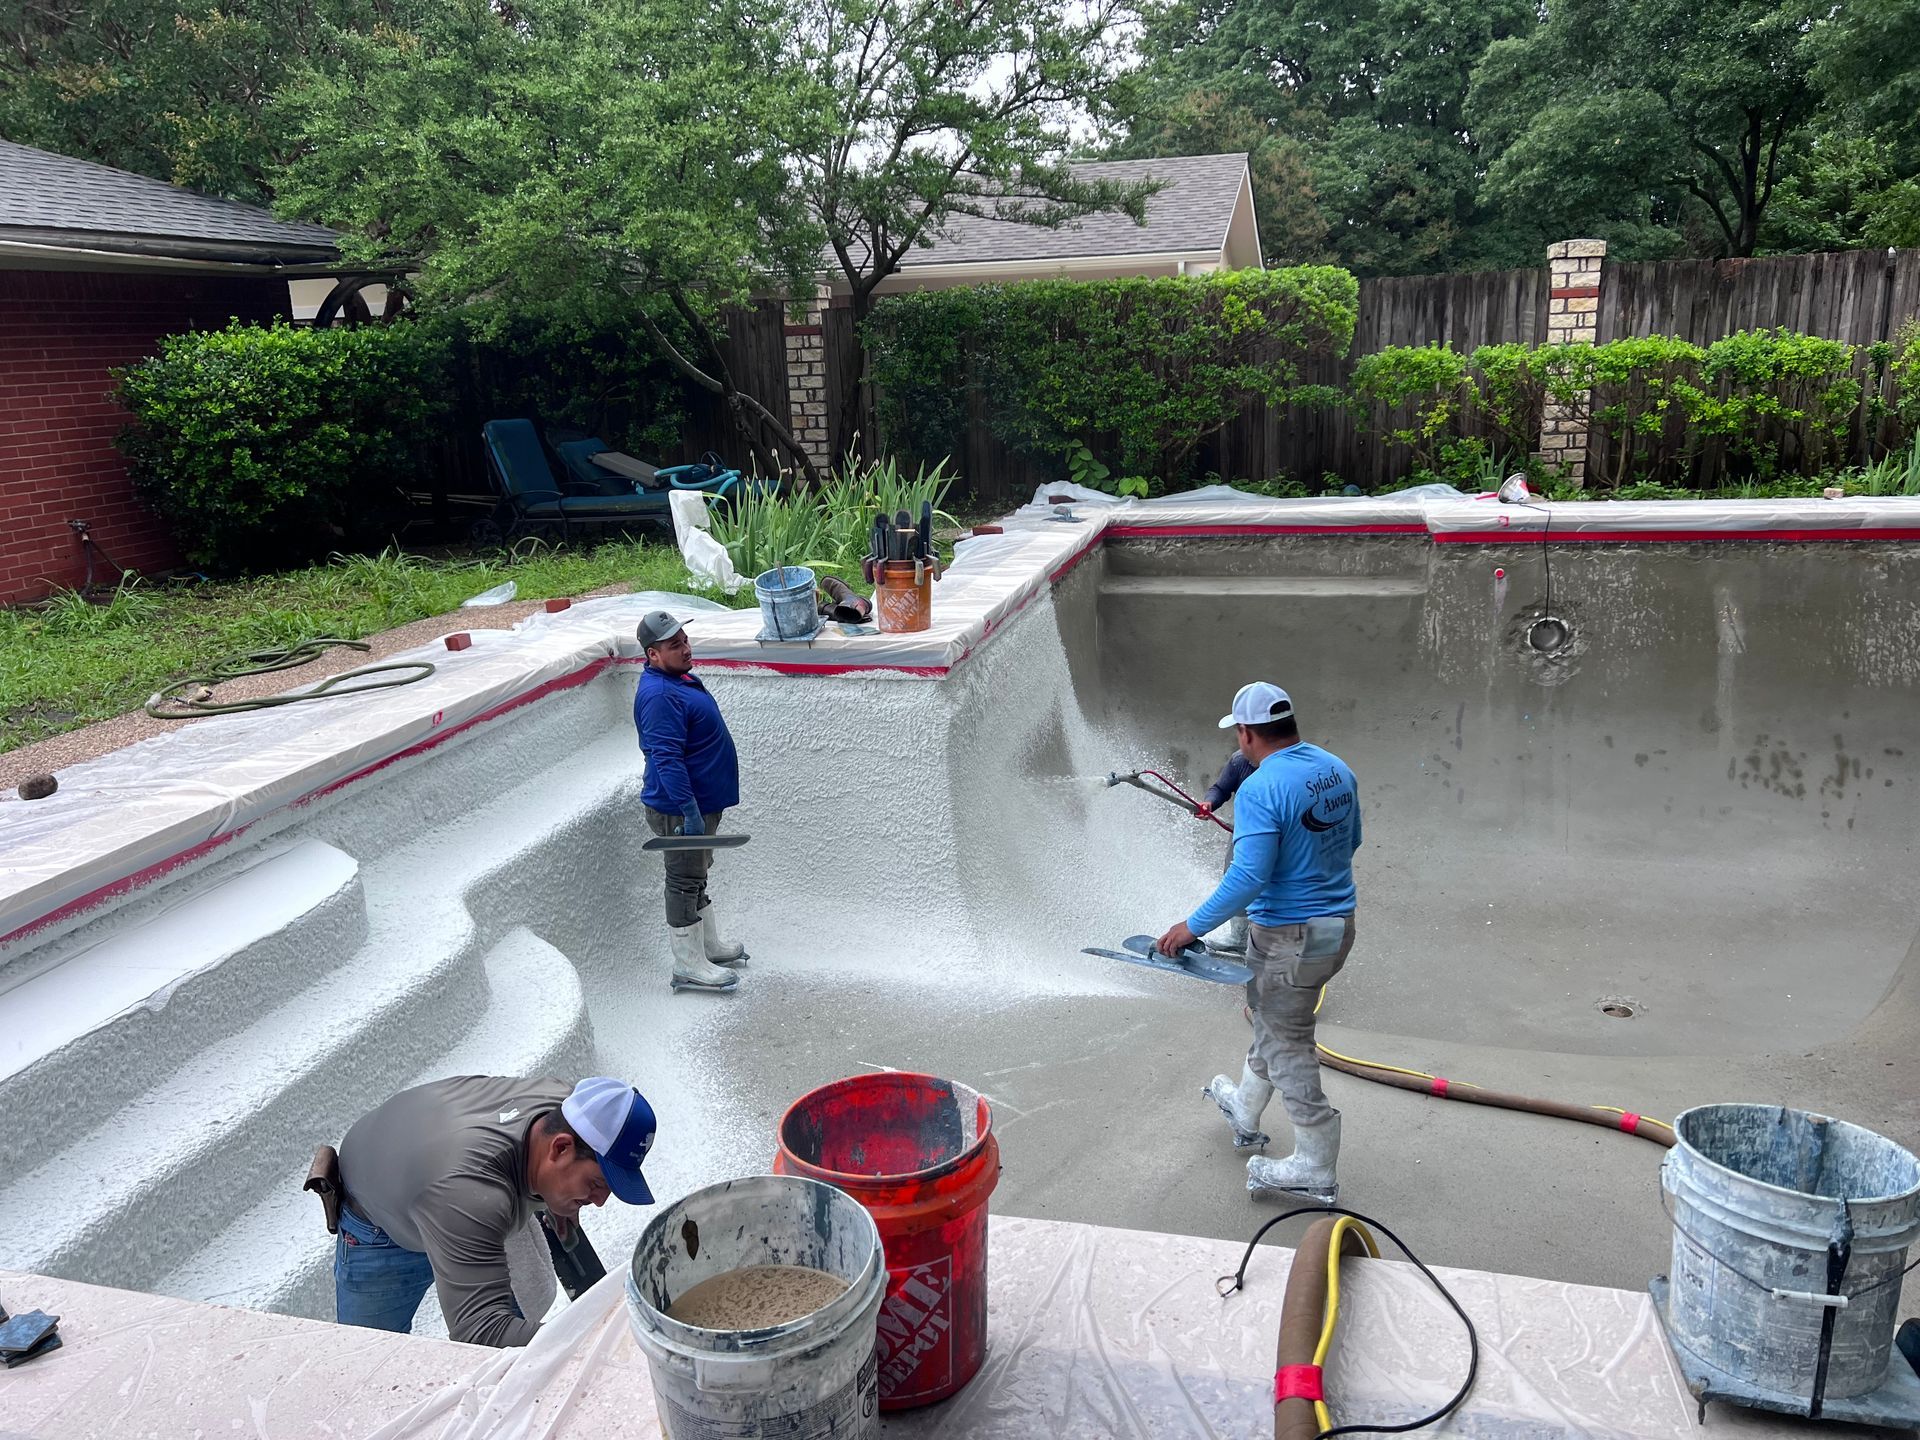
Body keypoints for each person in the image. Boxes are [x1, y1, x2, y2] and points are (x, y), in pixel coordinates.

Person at [1155, 682, 1361, 1204]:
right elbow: (1351, 841)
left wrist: (1191, 927)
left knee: (1287, 1041)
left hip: (1288, 937)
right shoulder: (1336, 770)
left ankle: (1316, 1163)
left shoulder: (1260, 789)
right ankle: (1245, 1109)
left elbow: (1247, 877)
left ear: (1246, 733)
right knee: (1276, 1021)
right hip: (1336, 928)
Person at [333, 1075, 657, 1345]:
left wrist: (567, 1198)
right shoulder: (473, 1197)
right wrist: (602, 1347)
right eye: (597, 1183)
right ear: (560, 1148)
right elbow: (480, 1332)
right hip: (381, 1224)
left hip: (436, 1169)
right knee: (366, 1357)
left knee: (512, 1323)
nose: (600, 1201)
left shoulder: (569, 1105)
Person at [634, 609, 746, 992]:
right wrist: (689, 811)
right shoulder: (660, 695)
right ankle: (687, 963)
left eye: (685, 640)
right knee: (683, 880)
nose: (685, 649)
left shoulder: (676, 678)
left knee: (696, 875)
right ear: (653, 655)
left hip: (698, 805)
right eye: (674, 645)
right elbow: (666, 758)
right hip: (679, 810)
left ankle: (707, 948)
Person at [1194, 750, 1255, 955]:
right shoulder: (1241, 760)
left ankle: (1271, 941)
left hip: (1279, 833)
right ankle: (1239, 937)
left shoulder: (1286, 764)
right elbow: (1221, 788)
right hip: (1244, 832)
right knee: (1234, 877)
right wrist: (1209, 802)